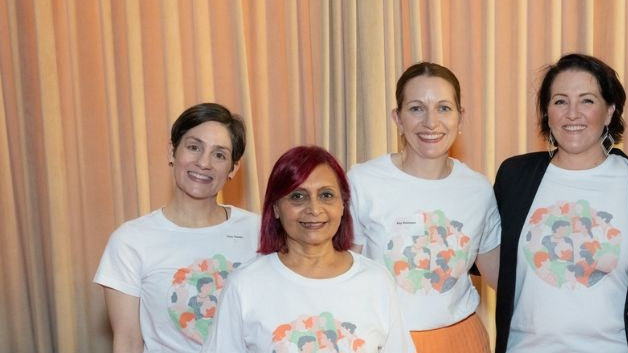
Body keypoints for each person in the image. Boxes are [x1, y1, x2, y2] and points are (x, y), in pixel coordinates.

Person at [492, 53, 628, 353]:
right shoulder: (515, 177)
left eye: (587, 101)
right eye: (560, 101)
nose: (572, 113)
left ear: (609, 112)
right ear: (547, 113)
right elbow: (487, 260)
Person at [347, 62, 499, 352]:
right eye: (416, 108)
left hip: (461, 339)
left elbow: (502, 277)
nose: (431, 122)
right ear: (398, 118)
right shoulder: (363, 181)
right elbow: (343, 275)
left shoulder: (478, 190)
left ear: (460, 117)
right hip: (385, 340)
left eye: (443, 108)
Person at [201, 146, 413, 353]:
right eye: (298, 196)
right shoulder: (244, 285)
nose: (314, 209)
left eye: (326, 195)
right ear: (276, 208)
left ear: (343, 205)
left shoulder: (377, 281)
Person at [94, 103, 258, 352]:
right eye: (194, 147)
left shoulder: (258, 231)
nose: (204, 163)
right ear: (172, 152)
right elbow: (127, 340)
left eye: (219, 155)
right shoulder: (130, 240)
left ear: (233, 168)